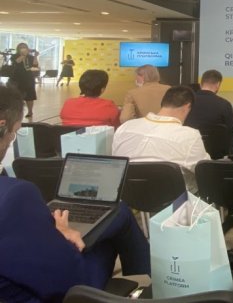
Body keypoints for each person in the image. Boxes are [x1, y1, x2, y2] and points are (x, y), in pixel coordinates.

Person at [0, 85, 150, 300]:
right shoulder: (15, 196)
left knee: (117, 215)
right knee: (114, 220)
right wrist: (60, 237)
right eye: (13, 133)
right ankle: (147, 285)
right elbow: (66, 280)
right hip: (62, 292)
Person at [113, 85, 209, 192]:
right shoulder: (190, 136)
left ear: (163, 103)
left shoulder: (125, 128)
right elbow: (205, 172)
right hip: (173, 199)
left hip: (127, 197)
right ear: (187, 106)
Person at [8, 42, 38, 118]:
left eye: (24, 47)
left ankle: (30, 111)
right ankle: (18, 111)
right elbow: (17, 62)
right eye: (21, 47)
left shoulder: (30, 57)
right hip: (17, 78)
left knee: (30, 96)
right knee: (17, 96)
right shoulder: (14, 56)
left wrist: (35, 56)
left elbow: (35, 65)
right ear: (18, 49)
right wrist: (23, 55)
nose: (23, 49)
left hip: (28, 78)